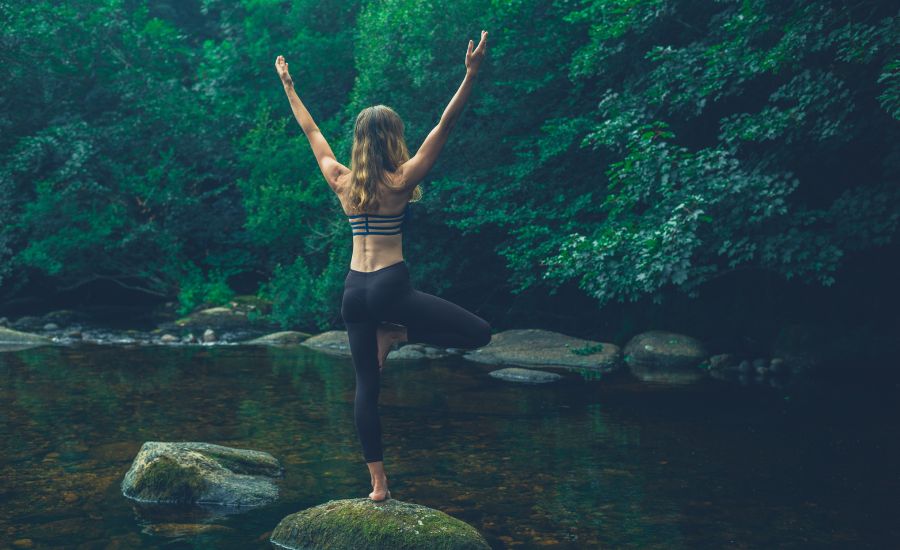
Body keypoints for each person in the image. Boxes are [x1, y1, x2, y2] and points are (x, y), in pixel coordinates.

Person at [275, 30, 491, 502]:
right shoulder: (402, 178)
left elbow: (311, 133)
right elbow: (445, 125)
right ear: (394, 138)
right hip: (392, 287)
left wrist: (290, 87)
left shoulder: (340, 179)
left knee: (365, 389)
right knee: (479, 334)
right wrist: (470, 75)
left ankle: (378, 485)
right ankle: (400, 334)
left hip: (354, 290)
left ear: (357, 141)